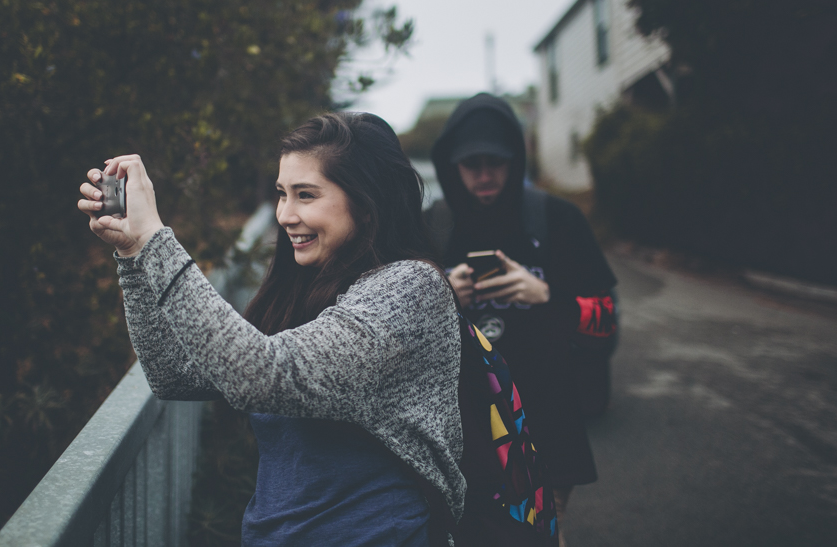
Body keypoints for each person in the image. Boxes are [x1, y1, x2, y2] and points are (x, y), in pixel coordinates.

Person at [78, 112, 464, 546]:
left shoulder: (410, 289)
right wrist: (132, 255)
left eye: (306, 195)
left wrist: (155, 238)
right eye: (281, 194)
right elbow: (173, 373)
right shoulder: (304, 288)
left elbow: (259, 375)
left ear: (368, 201)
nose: (285, 214)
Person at [426, 93, 618, 547]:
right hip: (458, 440)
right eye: (472, 163)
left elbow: (606, 325)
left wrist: (547, 296)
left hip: (546, 433)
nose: (485, 174)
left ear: (516, 158)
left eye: (496, 160)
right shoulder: (431, 229)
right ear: (452, 165)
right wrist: (441, 294)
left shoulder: (558, 221)